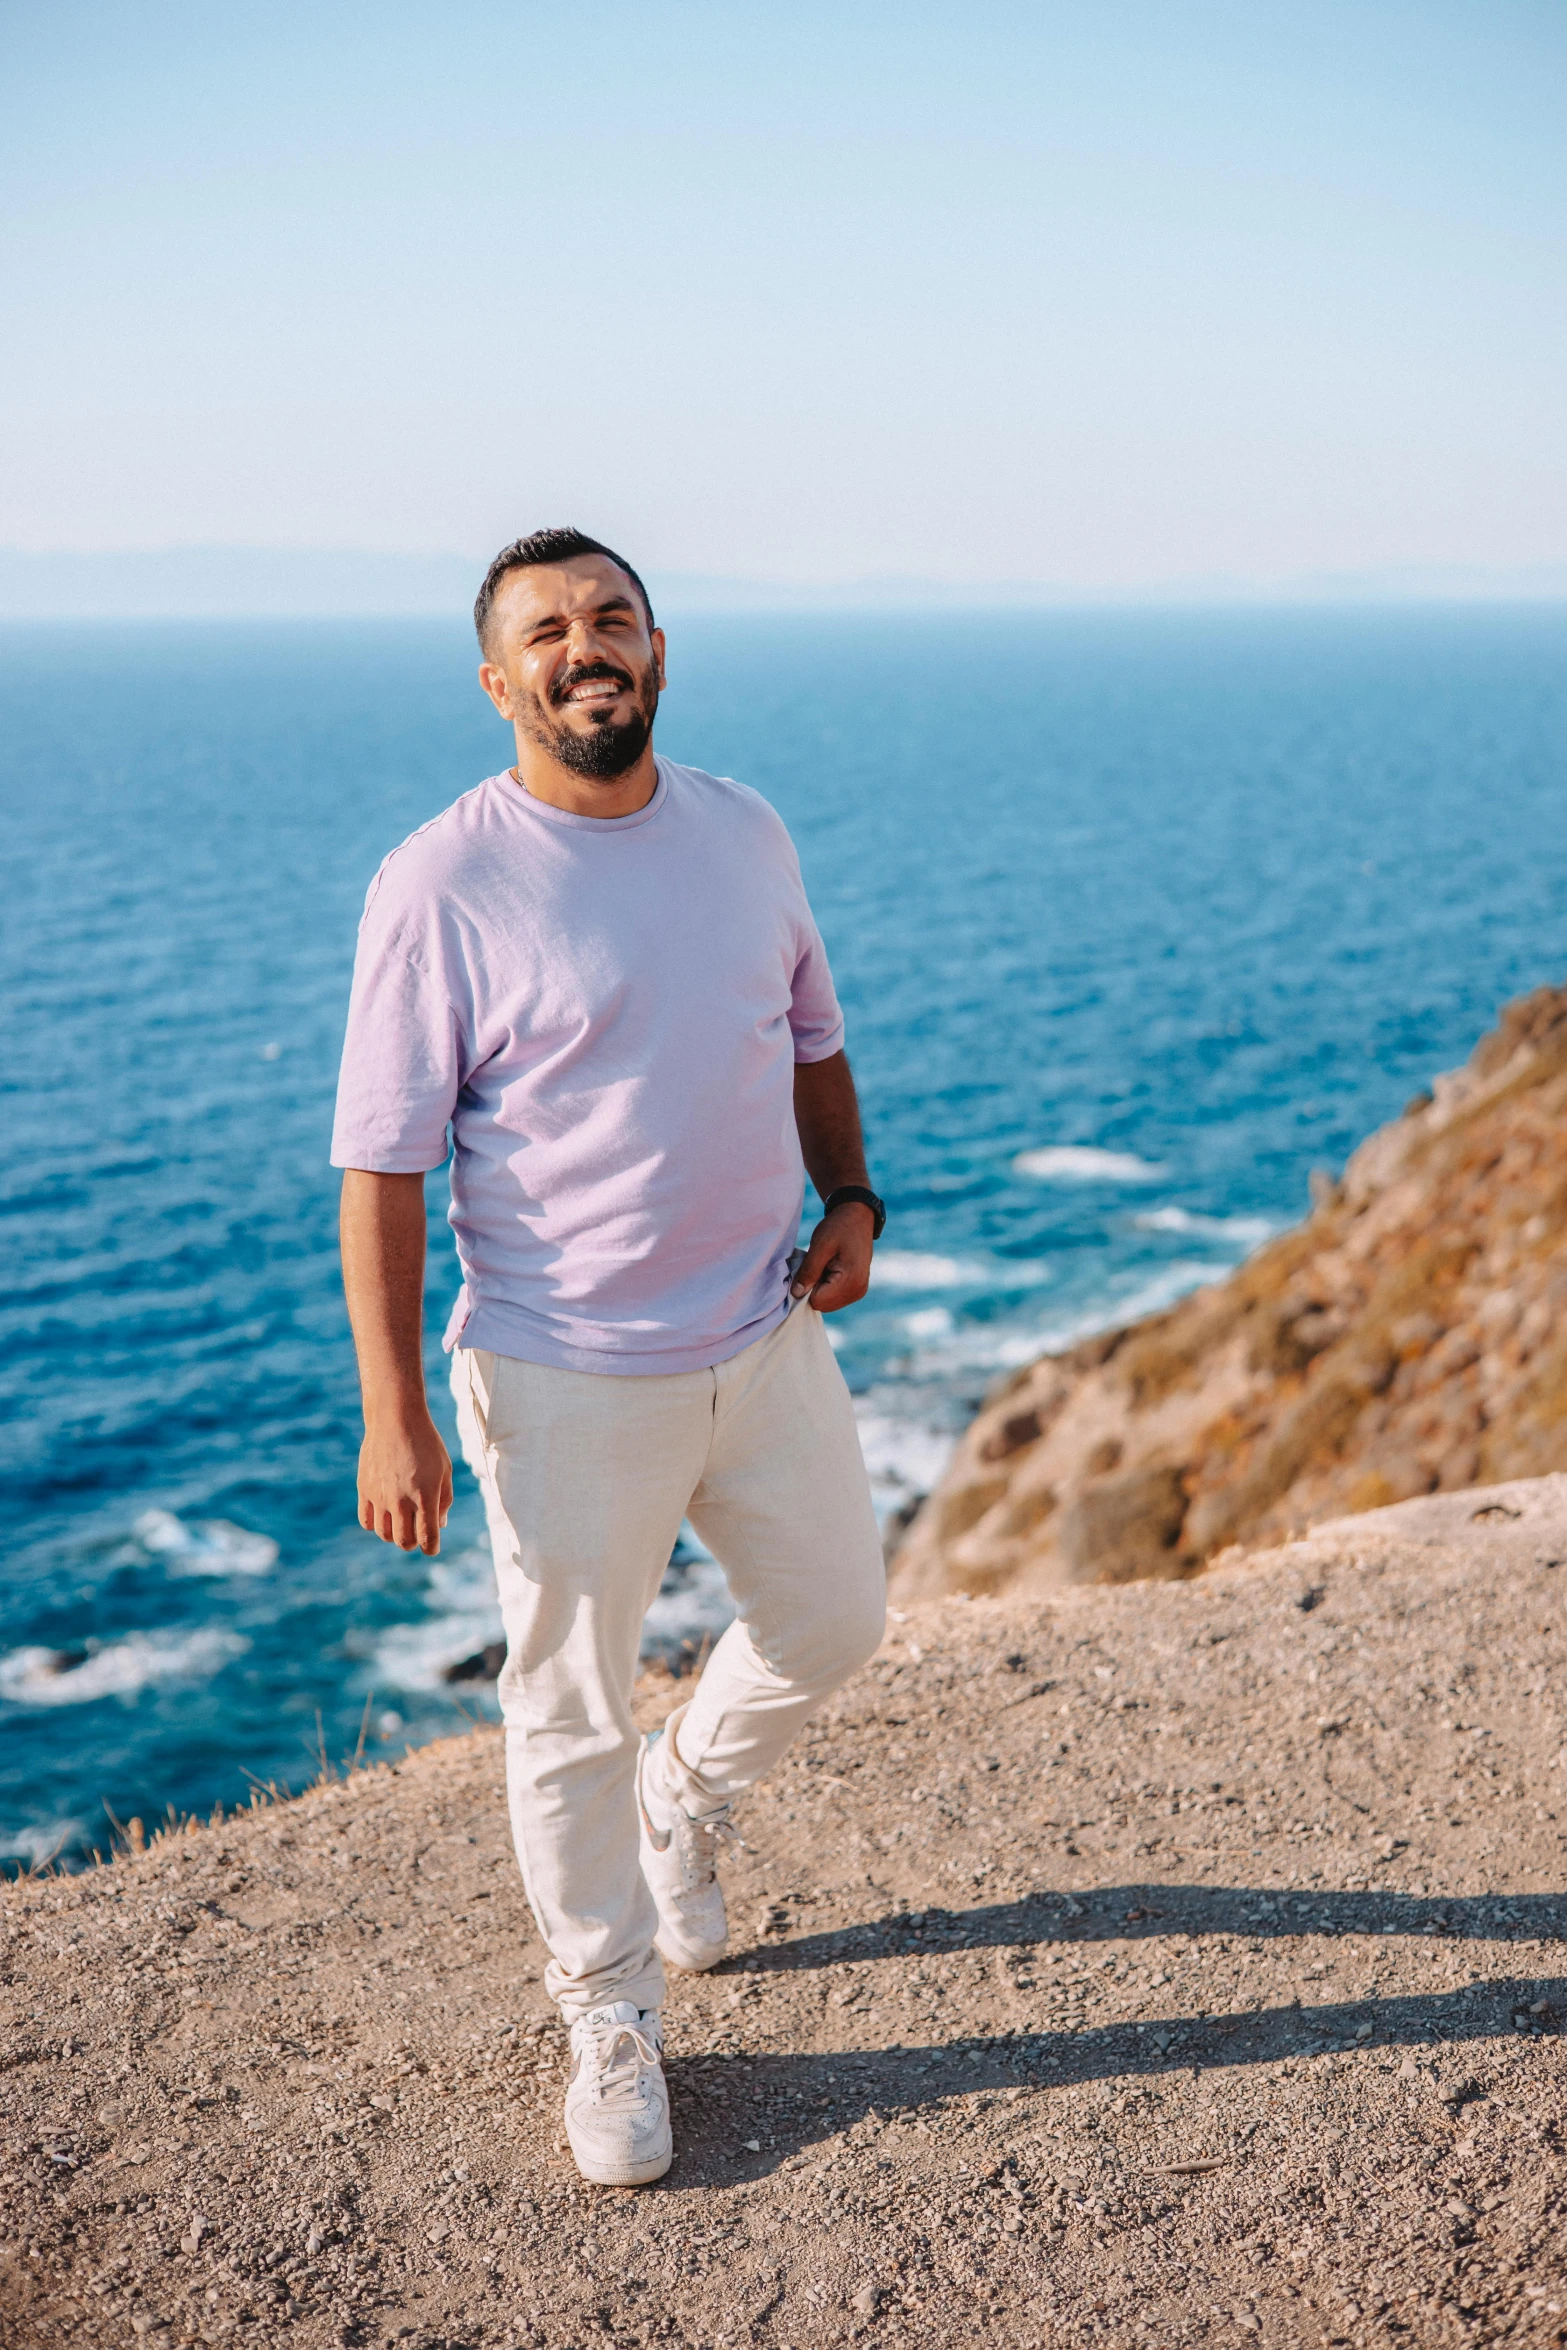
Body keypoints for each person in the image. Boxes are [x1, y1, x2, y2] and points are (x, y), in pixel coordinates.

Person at [331, 528, 888, 2187]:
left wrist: (850, 1188)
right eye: (548, 631)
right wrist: (393, 1409)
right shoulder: (440, 879)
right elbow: (381, 1161)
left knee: (835, 1620)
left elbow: (810, 1033)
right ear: (499, 681)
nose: (588, 646)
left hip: (763, 1329)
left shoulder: (741, 828)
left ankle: (687, 1798)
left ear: (659, 651)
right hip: (565, 1371)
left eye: (613, 619)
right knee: (561, 1705)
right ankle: (607, 2011)